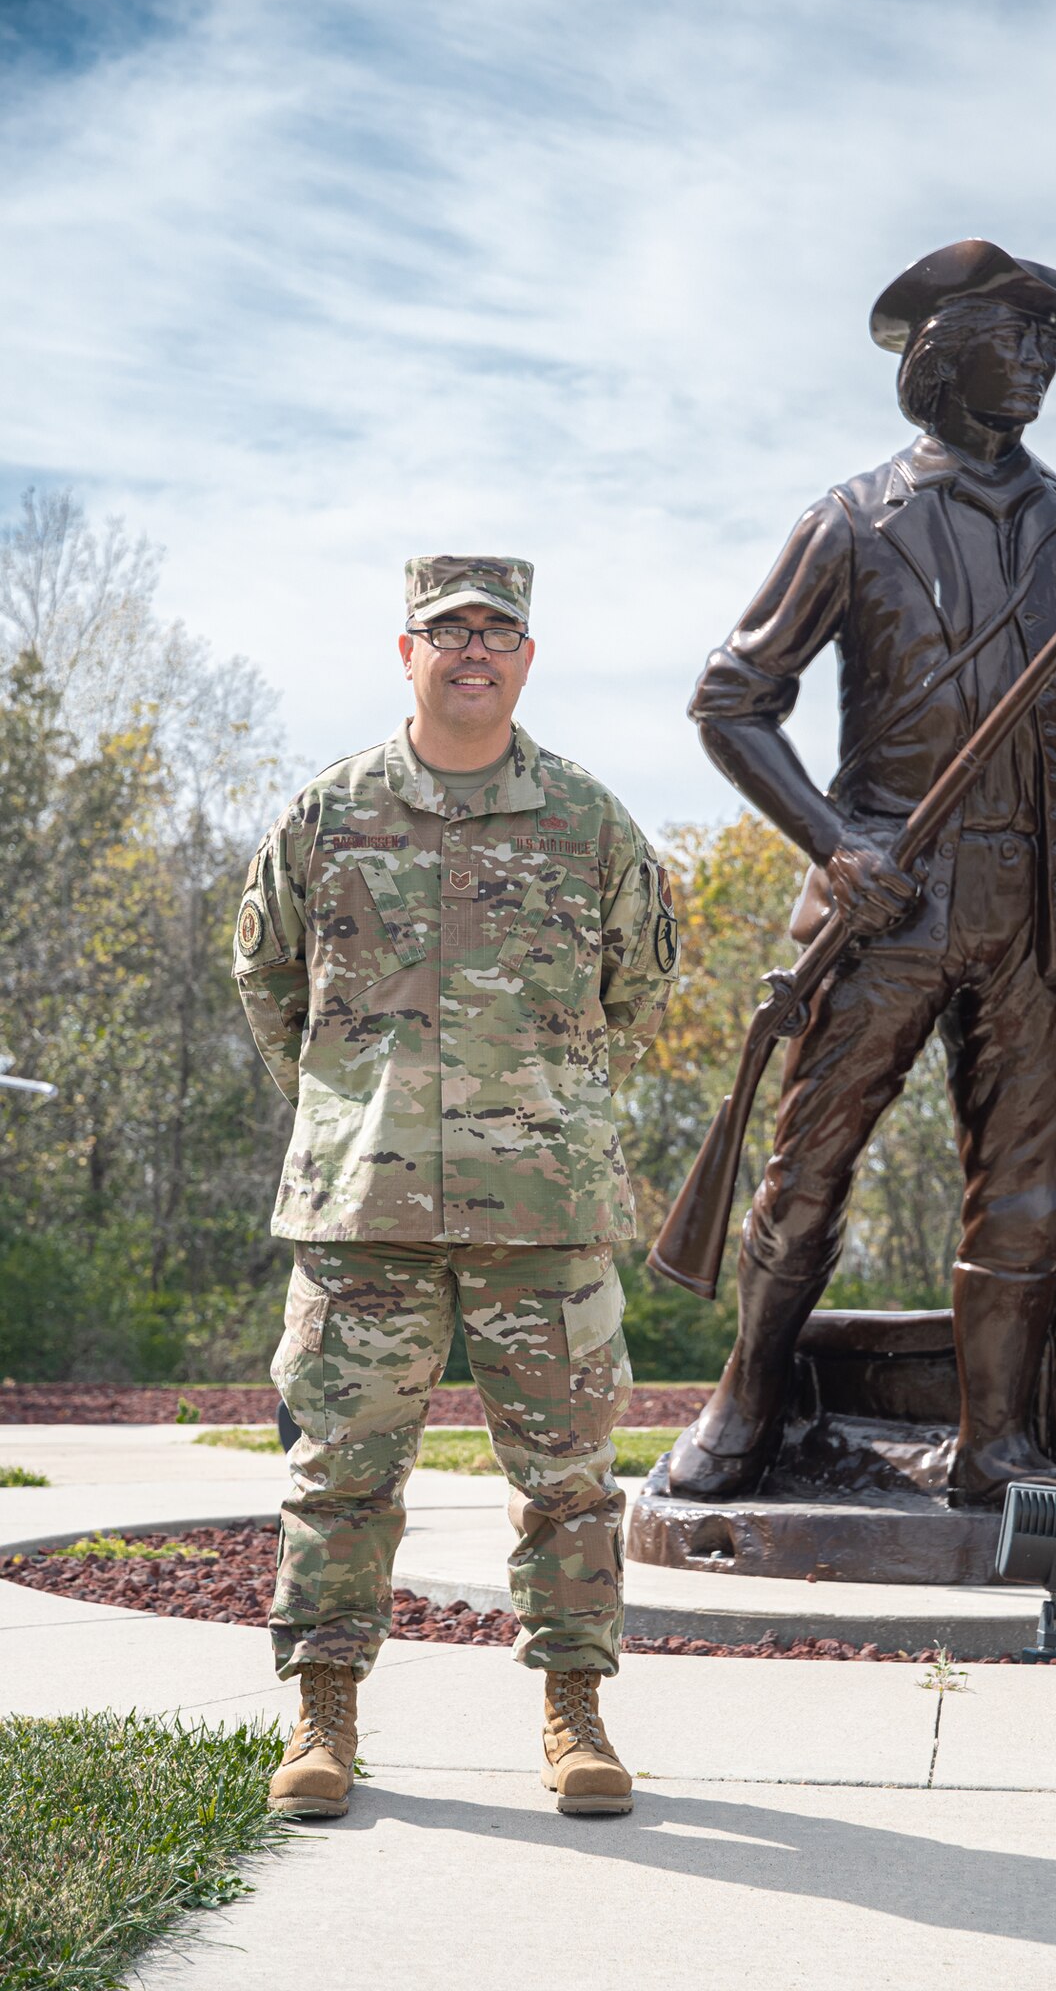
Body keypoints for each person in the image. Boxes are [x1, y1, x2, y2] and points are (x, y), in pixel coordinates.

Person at [666, 239, 1056, 1507]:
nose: (1044, 360)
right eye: (1019, 335)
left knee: (1027, 1191)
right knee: (805, 1165)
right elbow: (731, 701)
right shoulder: (848, 521)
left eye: (1054, 341)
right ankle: (744, 1399)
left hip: (1043, 913)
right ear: (939, 355)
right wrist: (836, 844)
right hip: (888, 897)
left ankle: (993, 1442)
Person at [234, 553, 678, 1820]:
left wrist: (538, 1106)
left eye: (499, 630)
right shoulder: (330, 816)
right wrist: (349, 1106)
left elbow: (638, 985)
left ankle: (575, 1711)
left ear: (528, 655)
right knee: (339, 1474)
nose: (473, 648)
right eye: (449, 629)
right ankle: (324, 1716)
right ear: (406, 649)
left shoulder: (589, 822)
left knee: (570, 1484)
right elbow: (265, 979)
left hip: (544, 1213)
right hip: (362, 1208)